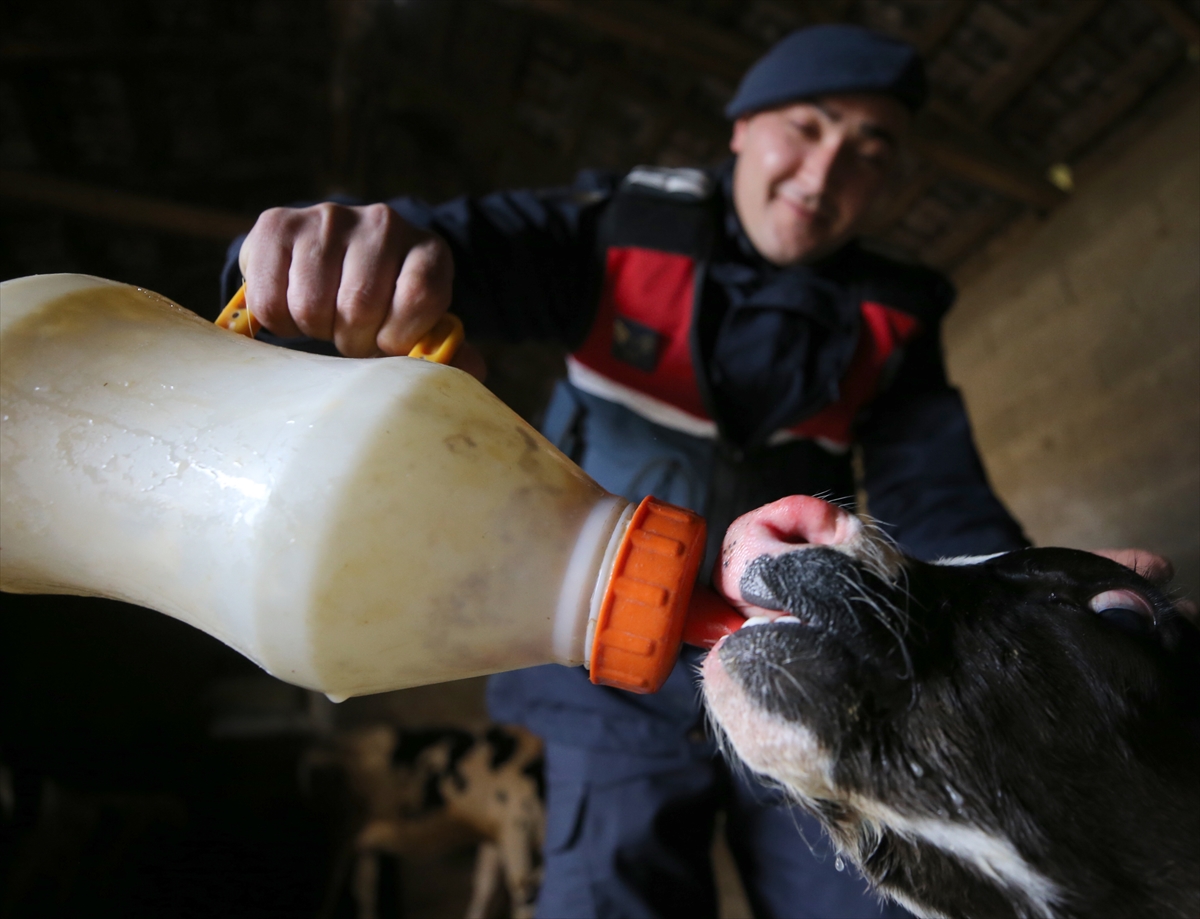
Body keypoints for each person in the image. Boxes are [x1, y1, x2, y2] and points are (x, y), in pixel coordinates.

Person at [223, 25, 1031, 919]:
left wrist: (1030, 607)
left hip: (794, 652)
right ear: (742, 127)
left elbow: (940, 495)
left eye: (870, 149)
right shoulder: (613, 233)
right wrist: (339, 259)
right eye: (808, 125)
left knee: (864, 901)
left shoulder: (892, 318)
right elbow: (457, 252)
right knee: (611, 888)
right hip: (601, 659)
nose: (829, 167)